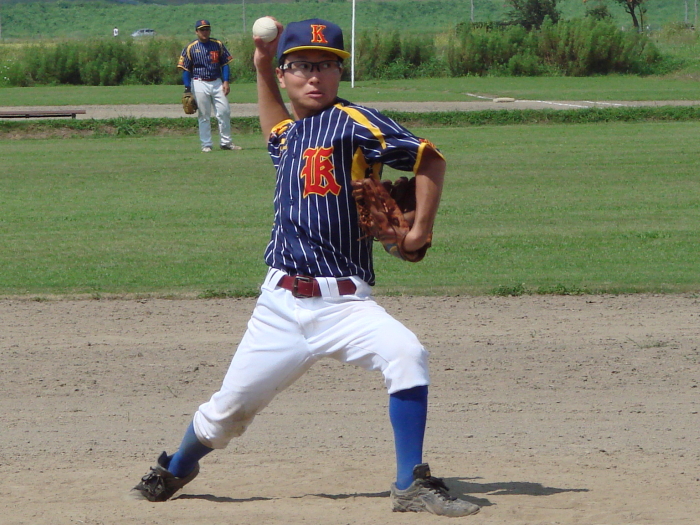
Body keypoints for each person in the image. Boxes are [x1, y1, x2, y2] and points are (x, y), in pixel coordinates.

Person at [130, 18, 479, 517]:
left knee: (407, 354)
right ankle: (176, 468)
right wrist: (260, 66)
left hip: (346, 304)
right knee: (226, 412)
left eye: (326, 66)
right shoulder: (287, 136)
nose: (314, 76)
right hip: (279, 305)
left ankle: (410, 484)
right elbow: (272, 122)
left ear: (339, 74)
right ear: (286, 73)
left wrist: (420, 230)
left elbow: (429, 158)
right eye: (301, 66)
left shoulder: (356, 122)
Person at [177, 19, 241, 153]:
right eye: (202, 29)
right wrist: (187, 88)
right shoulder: (191, 47)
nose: (205, 32)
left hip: (217, 82)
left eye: (207, 29)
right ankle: (206, 144)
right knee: (204, 115)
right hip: (199, 82)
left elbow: (225, 64)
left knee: (224, 112)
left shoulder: (217, 44)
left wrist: (226, 81)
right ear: (196, 32)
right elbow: (185, 69)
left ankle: (226, 142)